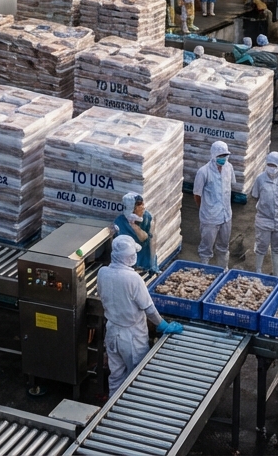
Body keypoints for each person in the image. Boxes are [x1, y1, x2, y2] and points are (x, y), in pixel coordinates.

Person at [97, 236, 182, 397]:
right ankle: (131, 406)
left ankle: (112, 406)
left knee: (116, 376)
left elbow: (102, 296)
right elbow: (149, 308)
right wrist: (162, 324)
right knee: (136, 377)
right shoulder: (133, 279)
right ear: (130, 257)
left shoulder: (103, 272)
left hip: (112, 331)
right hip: (132, 336)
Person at [193, 141, 234, 267]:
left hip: (226, 215)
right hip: (210, 217)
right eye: (220, 156)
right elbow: (197, 194)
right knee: (206, 247)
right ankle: (205, 268)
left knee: (224, 245)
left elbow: (230, 187)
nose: (223, 159)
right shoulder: (203, 172)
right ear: (213, 155)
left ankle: (223, 269)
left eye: (225, 156)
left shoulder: (229, 168)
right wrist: (204, 209)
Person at [250, 152, 278, 278]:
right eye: (269, 165)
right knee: (261, 245)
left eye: (274, 165)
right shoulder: (260, 179)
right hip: (264, 219)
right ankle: (258, 270)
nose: (271, 168)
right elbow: (255, 196)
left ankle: (277, 271)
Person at [112, 193, 156, 273]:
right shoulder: (119, 222)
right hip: (128, 264)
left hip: (144, 260)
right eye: (139, 206)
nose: (143, 208)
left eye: (143, 204)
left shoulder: (147, 218)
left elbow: (146, 239)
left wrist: (153, 264)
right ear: (132, 208)